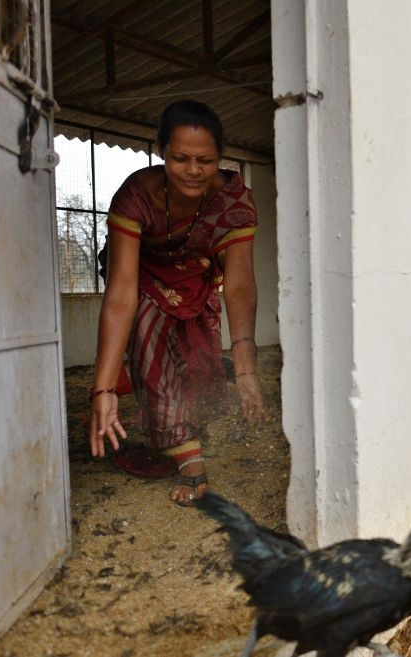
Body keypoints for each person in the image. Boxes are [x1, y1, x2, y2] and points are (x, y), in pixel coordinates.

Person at [88, 100, 264, 506]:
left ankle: (184, 428)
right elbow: (120, 294)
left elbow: (238, 285)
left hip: (196, 281)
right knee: (150, 342)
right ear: (161, 152)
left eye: (205, 159)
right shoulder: (135, 196)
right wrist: (103, 389)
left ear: (220, 157)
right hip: (142, 278)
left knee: (198, 359)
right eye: (180, 158)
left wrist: (247, 369)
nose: (193, 169)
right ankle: (190, 458)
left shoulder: (235, 204)